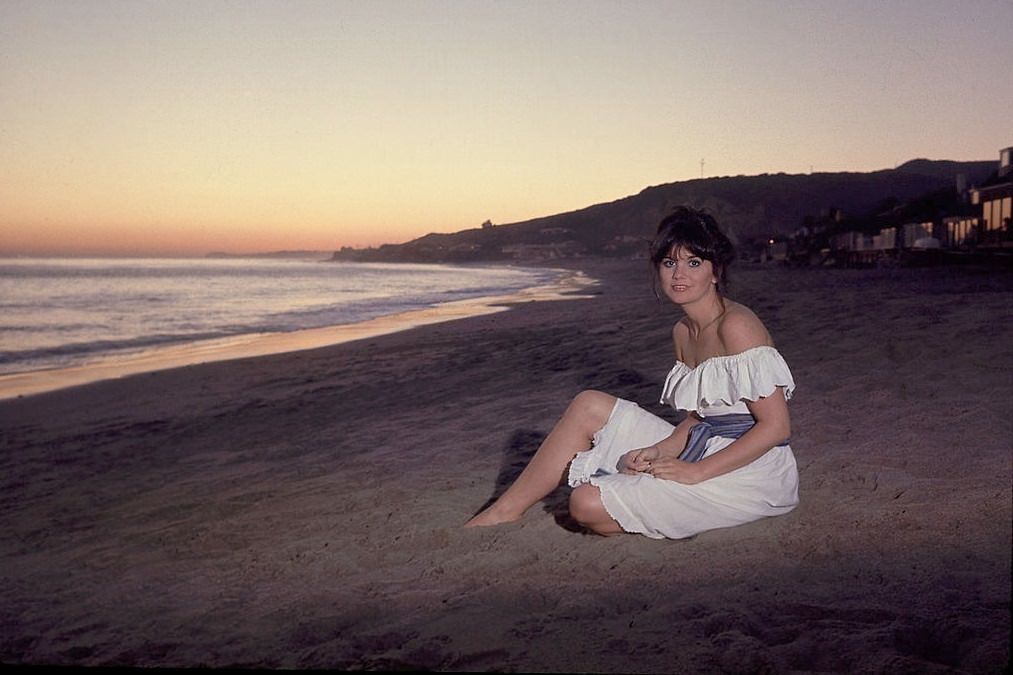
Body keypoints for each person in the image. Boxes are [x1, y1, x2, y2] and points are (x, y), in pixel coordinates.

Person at [465, 206, 800, 539]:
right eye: (669, 263)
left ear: (715, 271)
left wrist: (696, 472)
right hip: (706, 447)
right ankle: (503, 511)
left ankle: (658, 504)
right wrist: (660, 451)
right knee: (589, 404)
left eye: (693, 262)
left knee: (584, 505)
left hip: (754, 472)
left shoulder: (737, 325)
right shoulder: (683, 331)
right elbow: (701, 418)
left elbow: (776, 427)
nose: (679, 274)